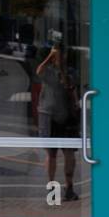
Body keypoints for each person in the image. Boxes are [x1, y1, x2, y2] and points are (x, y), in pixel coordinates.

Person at [34, 41, 80, 201]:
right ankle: (51, 188)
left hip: (67, 116)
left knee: (69, 153)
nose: (58, 56)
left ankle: (70, 187)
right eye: (56, 53)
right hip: (48, 114)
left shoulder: (71, 71)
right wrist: (49, 58)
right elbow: (39, 71)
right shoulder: (47, 69)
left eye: (60, 53)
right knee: (51, 154)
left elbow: (67, 83)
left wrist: (60, 65)